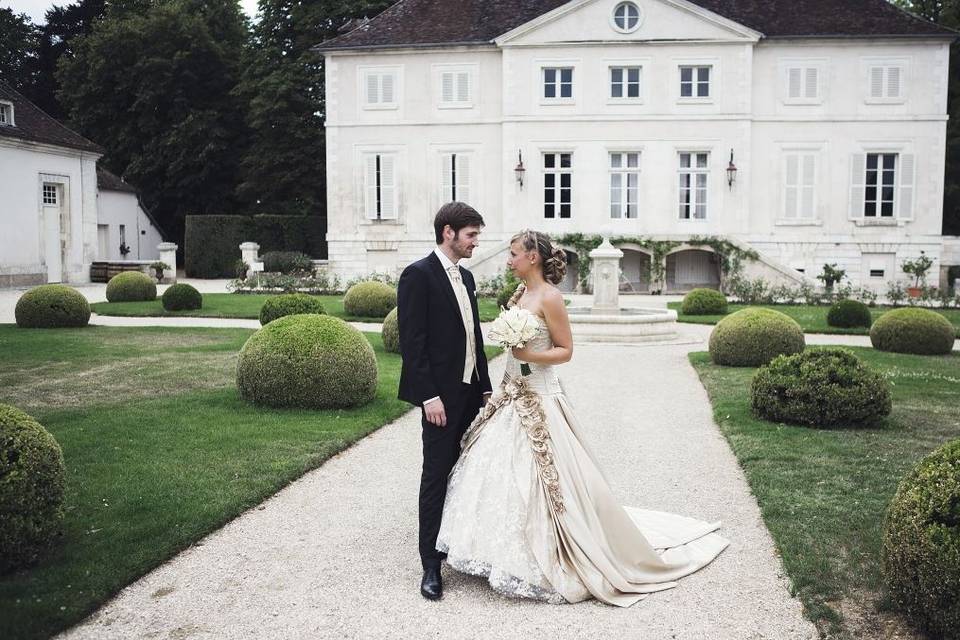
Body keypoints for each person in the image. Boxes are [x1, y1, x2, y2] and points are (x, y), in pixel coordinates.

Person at [435, 229, 729, 606]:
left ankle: (548, 552)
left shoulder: (551, 297)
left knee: (547, 480)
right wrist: (507, 377)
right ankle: (492, 549)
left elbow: (565, 351)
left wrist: (530, 358)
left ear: (533, 258)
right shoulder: (520, 294)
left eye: (513, 254)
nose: (509, 261)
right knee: (496, 470)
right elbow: (515, 352)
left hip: (541, 396)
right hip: (512, 394)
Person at [397, 202, 493, 601]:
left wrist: (485, 387)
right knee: (436, 473)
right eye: (471, 235)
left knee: (470, 471)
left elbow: (475, 337)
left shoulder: (467, 277)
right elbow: (412, 343)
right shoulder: (417, 275)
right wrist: (429, 396)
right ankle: (431, 564)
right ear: (449, 232)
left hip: (472, 392)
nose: (475, 243)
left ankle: (460, 543)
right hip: (441, 398)